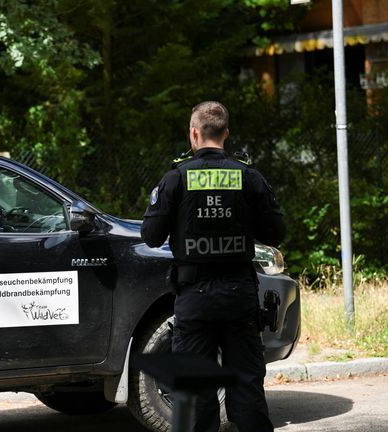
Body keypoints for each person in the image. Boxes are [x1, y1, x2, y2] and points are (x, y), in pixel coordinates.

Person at [141, 101, 285, 432]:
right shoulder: (249, 177)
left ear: (194, 133)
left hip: (194, 299)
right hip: (240, 297)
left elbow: (150, 236)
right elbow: (276, 233)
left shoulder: (175, 179)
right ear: (226, 134)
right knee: (247, 389)